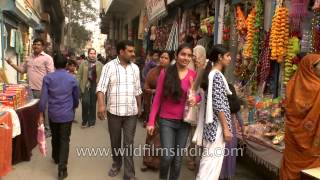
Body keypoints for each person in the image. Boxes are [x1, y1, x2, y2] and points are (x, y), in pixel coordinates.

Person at [147, 44, 201, 180]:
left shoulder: (193, 75)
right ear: (176, 55)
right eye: (183, 54)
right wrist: (151, 122)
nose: (186, 58)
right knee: (167, 156)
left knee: (177, 161)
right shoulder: (165, 74)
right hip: (167, 120)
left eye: (189, 55)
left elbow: (199, 95)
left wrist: (195, 98)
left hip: (185, 122)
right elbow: (157, 99)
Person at [96, 40, 142, 180]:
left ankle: (129, 175)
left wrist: (139, 107)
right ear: (121, 52)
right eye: (130, 51)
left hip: (131, 113)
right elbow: (101, 88)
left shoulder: (135, 68)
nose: (133, 54)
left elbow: (137, 90)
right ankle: (117, 163)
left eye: (133, 51)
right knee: (115, 141)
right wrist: (101, 105)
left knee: (128, 143)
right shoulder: (109, 67)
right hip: (114, 112)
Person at [39, 53, 79, 180]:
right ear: (66, 64)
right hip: (67, 114)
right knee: (65, 139)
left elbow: (43, 98)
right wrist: (74, 106)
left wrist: (40, 113)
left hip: (53, 113)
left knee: (55, 136)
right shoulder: (72, 79)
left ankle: (56, 157)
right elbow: (76, 97)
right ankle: (62, 169)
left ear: (54, 64)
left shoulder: (48, 78)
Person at [196, 44, 232, 180]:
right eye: (228, 56)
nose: (230, 58)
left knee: (210, 163)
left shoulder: (213, 75)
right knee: (210, 165)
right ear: (219, 57)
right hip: (216, 128)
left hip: (213, 127)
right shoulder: (216, 76)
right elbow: (218, 105)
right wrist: (226, 128)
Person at [280, 54, 320, 180]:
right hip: (307, 141)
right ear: (310, 67)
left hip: (294, 136)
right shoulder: (318, 89)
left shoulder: (292, 84)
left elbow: (288, 107)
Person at [5, 38, 54, 137]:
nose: (36, 46)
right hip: (30, 90)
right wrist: (11, 64)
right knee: (32, 111)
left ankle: (47, 130)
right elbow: (22, 70)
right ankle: (35, 130)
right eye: (34, 44)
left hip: (43, 89)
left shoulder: (47, 58)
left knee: (44, 110)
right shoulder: (28, 58)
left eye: (38, 44)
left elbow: (51, 75)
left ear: (43, 47)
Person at [141, 50, 174, 171]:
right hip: (153, 106)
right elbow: (145, 87)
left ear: (170, 60)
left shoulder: (173, 73)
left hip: (167, 109)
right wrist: (153, 91)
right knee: (151, 134)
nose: (163, 60)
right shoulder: (153, 71)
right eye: (161, 57)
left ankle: (158, 163)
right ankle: (147, 161)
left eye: (166, 58)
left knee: (163, 137)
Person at [77, 48, 103, 128]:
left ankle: (92, 121)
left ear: (95, 54)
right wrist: (79, 86)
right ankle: (84, 120)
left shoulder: (99, 64)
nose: (92, 55)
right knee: (85, 102)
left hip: (95, 85)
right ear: (88, 54)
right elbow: (79, 75)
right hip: (85, 85)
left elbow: (102, 76)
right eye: (91, 53)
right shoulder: (83, 63)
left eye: (94, 53)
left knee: (92, 104)